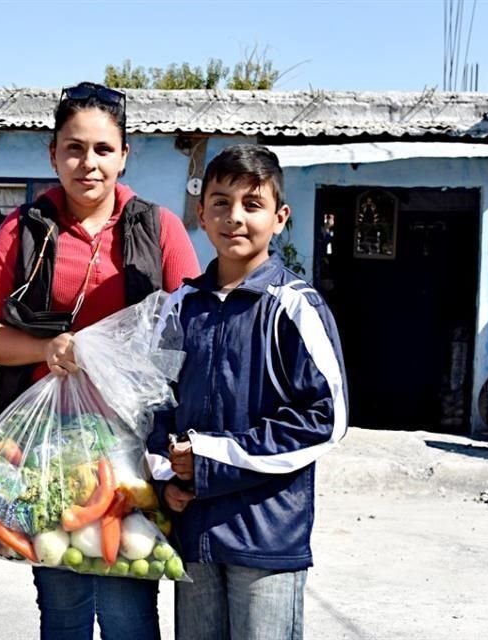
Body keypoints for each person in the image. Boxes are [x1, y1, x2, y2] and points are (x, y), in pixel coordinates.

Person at [0, 81, 200, 640]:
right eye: (73, 148)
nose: (87, 163)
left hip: (130, 445)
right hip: (45, 447)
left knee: (127, 603)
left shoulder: (156, 228)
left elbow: (191, 332)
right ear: (52, 153)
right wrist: (46, 349)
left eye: (101, 149)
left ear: (123, 155)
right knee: (62, 601)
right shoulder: (22, 231)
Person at [145, 145, 348, 640]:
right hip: (193, 531)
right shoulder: (180, 307)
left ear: (280, 218)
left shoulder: (294, 308)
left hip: (266, 535)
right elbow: (154, 402)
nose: (234, 217)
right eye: (220, 202)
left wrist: (209, 457)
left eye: (252, 205)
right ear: (201, 214)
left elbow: (327, 419)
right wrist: (165, 475)